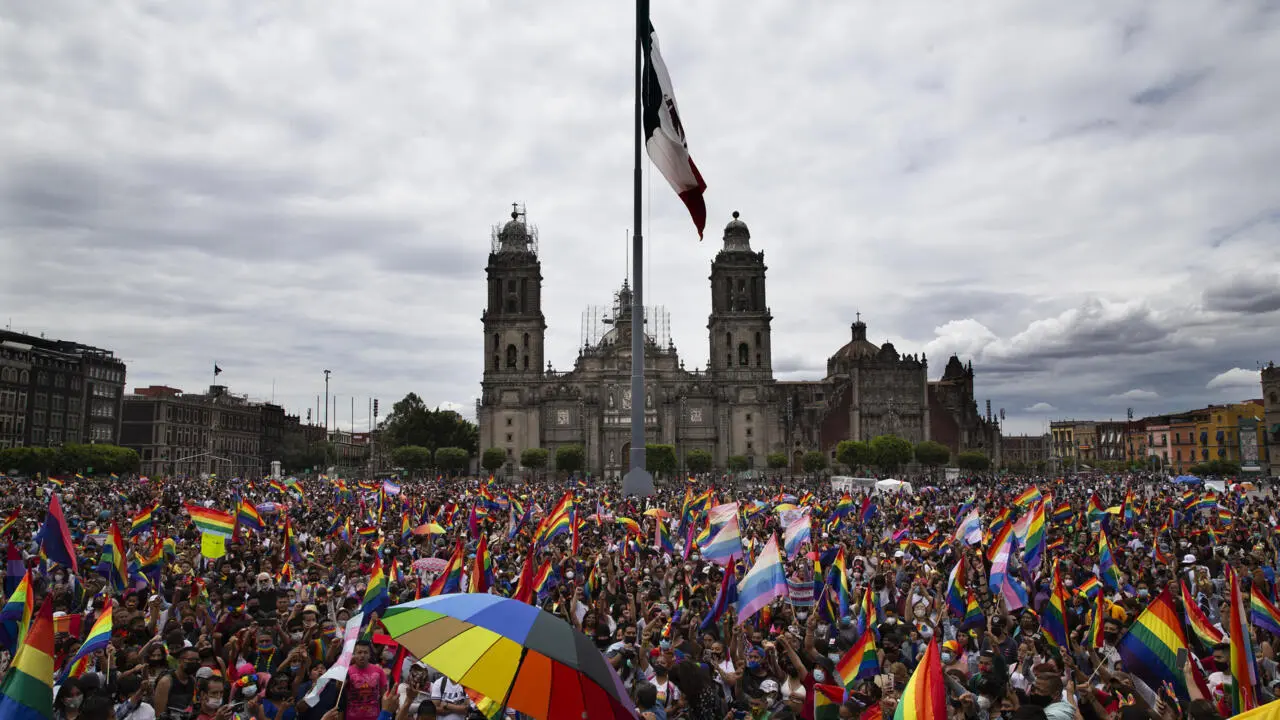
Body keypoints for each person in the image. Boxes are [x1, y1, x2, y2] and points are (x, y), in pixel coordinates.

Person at [342, 641, 387, 720]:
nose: (362, 655)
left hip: (375, 717)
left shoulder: (379, 671)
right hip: (352, 717)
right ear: (354, 655)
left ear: (369, 655)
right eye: (359, 652)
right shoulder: (347, 671)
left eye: (365, 652)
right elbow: (339, 689)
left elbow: (384, 696)